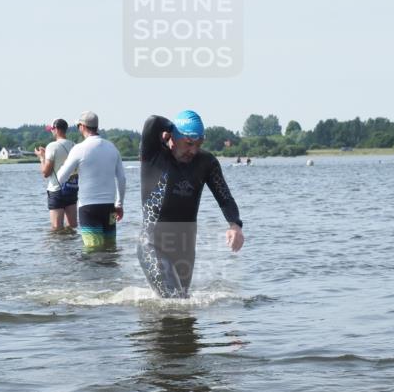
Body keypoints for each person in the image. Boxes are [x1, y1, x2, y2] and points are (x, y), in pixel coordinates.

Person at [138, 110, 244, 298]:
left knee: (183, 308)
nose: (193, 150)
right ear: (173, 136)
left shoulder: (206, 162)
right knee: (174, 300)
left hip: (185, 245)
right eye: (188, 143)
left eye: (198, 144)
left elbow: (225, 197)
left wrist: (235, 225)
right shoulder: (154, 154)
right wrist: (171, 127)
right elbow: (152, 122)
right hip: (153, 243)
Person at [56, 111, 125, 249]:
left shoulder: (79, 149)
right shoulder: (112, 147)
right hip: (109, 207)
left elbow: (60, 177)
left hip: (88, 208)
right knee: (110, 249)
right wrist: (119, 204)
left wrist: (73, 168)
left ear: (82, 126)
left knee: (93, 252)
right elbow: (122, 179)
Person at [35, 118, 78, 230]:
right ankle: (73, 248)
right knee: (72, 227)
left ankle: (58, 248)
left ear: (57, 129)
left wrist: (41, 158)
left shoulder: (52, 146)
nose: (51, 131)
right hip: (71, 188)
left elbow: (46, 172)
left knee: (56, 229)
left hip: (56, 190)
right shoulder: (74, 145)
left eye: (52, 129)